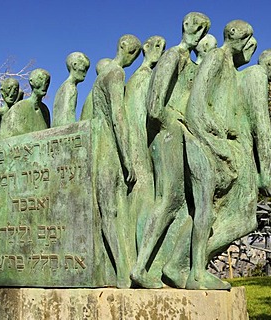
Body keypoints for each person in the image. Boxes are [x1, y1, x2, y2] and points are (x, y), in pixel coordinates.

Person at [131, 12, 211, 289]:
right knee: (168, 200)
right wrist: (173, 124)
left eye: (202, 29)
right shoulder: (172, 57)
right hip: (167, 134)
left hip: (180, 133)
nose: (197, 31)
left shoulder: (189, 61)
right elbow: (154, 106)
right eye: (194, 25)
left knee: (179, 203)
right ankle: (140, 268)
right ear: (185, 26)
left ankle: (169, 266)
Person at [184, 20, 254, 290]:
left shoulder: (229, 65)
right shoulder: (215, 57)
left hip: (217, 143)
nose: (249, 43)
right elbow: (196, 106)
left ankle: (194, 269)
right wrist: (216, 145)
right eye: (247, 37)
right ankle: (195, 273)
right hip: (204, 143)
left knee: (221, 214)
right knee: (204, 210)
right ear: (237, 36)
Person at [205, 48, 271, 264]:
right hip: (241, 153)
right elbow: (261, 126)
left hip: (229, 148)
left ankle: (196, 260)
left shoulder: (241, 75)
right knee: (246, 221)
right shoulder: (257, 76)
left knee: (227, 216)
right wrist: (265, 172)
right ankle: (195, 259)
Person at [92, 34, 140, 288]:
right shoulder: (116, 74)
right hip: (108, 147)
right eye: (135, 51)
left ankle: (120, 267)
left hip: (100, 145)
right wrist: (127, 158)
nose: (134, 58)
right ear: (125, 48)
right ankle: (121, 270)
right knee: (109, 210)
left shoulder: (101, 75)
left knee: (110, 209)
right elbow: (117, 117)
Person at [124, 35, 165, 262]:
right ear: (146, 48)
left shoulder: (141, 77)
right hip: (139, 148)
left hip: (142, 146)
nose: (159, 50)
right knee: (145, 202)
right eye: (156, 46)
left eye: (162, 47)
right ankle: (141, 262)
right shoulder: (141, 78)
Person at [4, 69, 51, 137]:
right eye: (40, 79)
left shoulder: (45, 110)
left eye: (47, 81)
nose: (45, 84)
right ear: (31, 82)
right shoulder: (18, 108)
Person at [53, 52, 90, 127]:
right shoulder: (70, 87)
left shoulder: (63, 87)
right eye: (84, 68)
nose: (85, 73)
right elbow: (67, 120)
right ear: (74, 65)